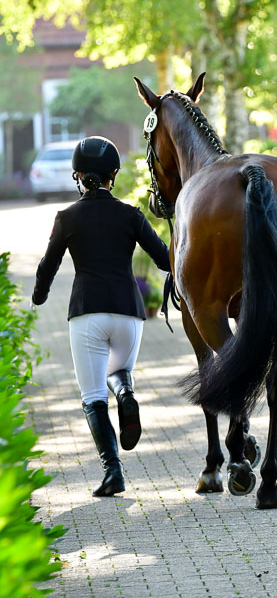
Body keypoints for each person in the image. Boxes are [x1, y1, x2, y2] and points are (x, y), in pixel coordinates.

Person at [32, 136, 170, 497]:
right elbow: (165, 259)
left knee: (92, 396)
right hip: (129, 313)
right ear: (114, 174)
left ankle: (114, 474)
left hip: (85, 314)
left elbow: (48, 266)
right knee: (117, 371)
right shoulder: (130, 215)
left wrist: (39, 295)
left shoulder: (66, 217)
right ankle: (125, 391)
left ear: (77, 175)